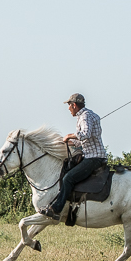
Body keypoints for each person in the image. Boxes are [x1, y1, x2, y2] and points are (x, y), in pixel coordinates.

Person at [41, 93, 107, 221]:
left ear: (74, 105)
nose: (68, 109)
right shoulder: (89, 115)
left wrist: (70, 135)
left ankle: (56, 209)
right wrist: (66, 142)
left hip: (93, 157)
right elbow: (83, 140)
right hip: (93, 155)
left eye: (69, 105)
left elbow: (85, 134)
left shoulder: (84, 116)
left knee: (68, 178)